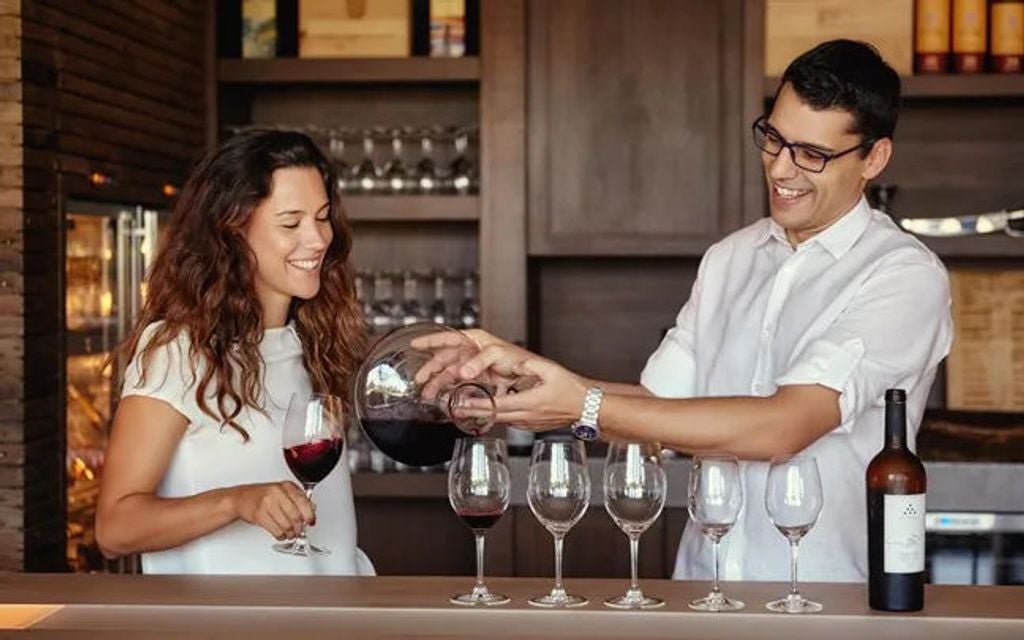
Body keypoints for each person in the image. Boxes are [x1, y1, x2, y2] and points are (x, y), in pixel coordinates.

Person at [415, 40, 953, 583]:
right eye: (773, 139)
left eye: (811, 154)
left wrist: (583, 404)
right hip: (703, 593)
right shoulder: (731, 259)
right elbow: (655, 411)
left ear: (874, 158)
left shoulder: (903, 276)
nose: (781, 168)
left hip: (823, 606)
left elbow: (786, 426)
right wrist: (527, 372)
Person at [96, 129, 374, 575]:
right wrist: (237, 501)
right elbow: (115, 528)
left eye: (322, 217)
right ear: (232, 231)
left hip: (331, 618)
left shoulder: (311, 344)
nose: (319, 239)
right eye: (291, 223)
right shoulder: (179, 349)